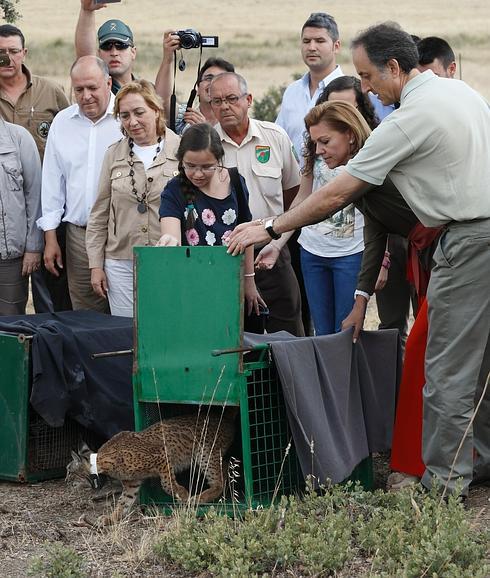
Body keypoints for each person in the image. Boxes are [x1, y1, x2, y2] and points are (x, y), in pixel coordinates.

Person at [227, 22, 490, 497]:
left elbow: (340, 191)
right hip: (477, 233)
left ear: (394, 67)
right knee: (482, 361)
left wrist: (271, 226)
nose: (364, 88)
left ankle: (445, 486)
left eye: (368, 76)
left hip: (464, 243)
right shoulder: (464, 95)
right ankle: (479, 462)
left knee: (446, 371)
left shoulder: (410, 118)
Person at [209, 72, 304, 336]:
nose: (225, 106)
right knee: (233, 333)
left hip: (271, 249)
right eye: (217, 101)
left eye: (231, 98)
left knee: (287, 329)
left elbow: (293, 194)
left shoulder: (274, 137)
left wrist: (276, 240)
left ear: (248, 99)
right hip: (225, 256)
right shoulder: (207, 145)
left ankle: (288, 379)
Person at [86, 80, 180, 317]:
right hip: (121, 261)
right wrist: (96, 265)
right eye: (125, 115)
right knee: (126, 331)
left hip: (168, 259)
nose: (132, 122)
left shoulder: (181, 150)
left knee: (165, 325)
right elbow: (99, 214)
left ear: (156, 110)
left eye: (139, 112)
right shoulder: (113, 154)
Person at [37, 56, 121, 312]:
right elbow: (52, 183)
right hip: (79, 237)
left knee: (127, 311)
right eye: (79, 89)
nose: (85, 96)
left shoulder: (126, 118)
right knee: (86, 313)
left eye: (92, 88)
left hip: (121, 236)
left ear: (108, 83)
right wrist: (50, 238)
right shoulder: (62, 122)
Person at [158, 122, 265, 320]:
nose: (197, 174)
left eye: (207, 167)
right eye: (190, 166)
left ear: (219, 159)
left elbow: (246, 232)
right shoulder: (174, 189)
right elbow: (170, 232)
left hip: (229, 280)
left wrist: (249, 281)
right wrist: (169, 241)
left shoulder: (235, 181)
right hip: (191, 284)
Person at [0, 24, 72, 313]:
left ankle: (46, 350)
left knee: (50, 291)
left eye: (12, 52)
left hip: (52, 206)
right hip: (10, 210)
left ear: (24, 53)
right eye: (0, 53)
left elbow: (72, 134)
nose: (6, 58)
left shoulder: (50, 92)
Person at [276, 12, 343, 163]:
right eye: (306, 41)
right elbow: (279, 140)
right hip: (293, 184)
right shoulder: (292, 91)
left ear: (336, 46)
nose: (312, 47)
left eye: (320, 41)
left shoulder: (347, 92)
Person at [0, 117, 42, 315]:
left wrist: (34, 247)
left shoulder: (18, 138)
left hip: (9, 257)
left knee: (11, 325)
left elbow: (35, 195)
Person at [155, 32, 235, 134]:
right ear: (198, 88)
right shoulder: (184, 117)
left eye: (220, 79)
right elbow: (162, 100)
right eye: (208, 78)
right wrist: (168, 57)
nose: (213, 84)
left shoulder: (234, 122)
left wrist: (207, 131)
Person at [75, 0, 136, 95]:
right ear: (99, 54)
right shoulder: (99, 91)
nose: (114, 53)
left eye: (121, 46)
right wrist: (86, 11)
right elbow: (85, 59)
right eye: (107, 46)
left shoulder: (146, 89)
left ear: (133, 52)